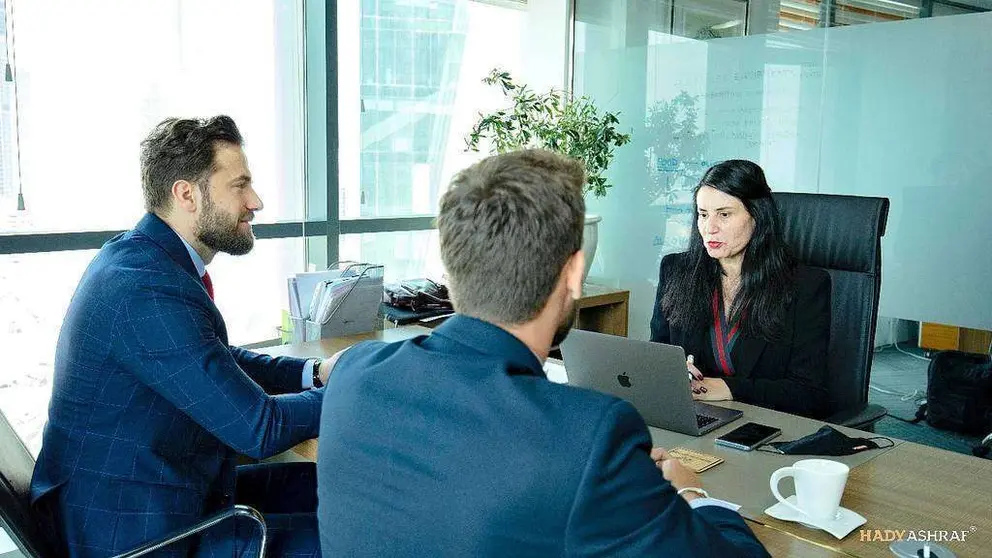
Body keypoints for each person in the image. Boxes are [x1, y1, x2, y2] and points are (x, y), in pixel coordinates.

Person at [315, 149, 769, 557]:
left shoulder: (353, 373)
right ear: (574, 272)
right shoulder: (591, 433)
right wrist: (694, 496)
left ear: (450, 273)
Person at [31, 116, 328, 557]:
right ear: (186, 194)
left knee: (334, 484)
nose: (256, 201)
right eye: (240, 185)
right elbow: (259, 429)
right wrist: (360, 387)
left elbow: (214, 358)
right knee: (349, 534)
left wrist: (313, 371)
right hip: (138, 534)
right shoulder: (145, 287)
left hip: (163, 492)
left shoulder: (141, 259)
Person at [650, 159, 831, 419]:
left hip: (765, 425)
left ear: (757, 216)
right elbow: (658, 354)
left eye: (724, 214)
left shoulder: (805, 286)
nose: (709, 228)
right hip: (693, 417)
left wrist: (727, 388)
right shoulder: (677, 271)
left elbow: (810, 394)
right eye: (703, 214)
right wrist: (673, 372)